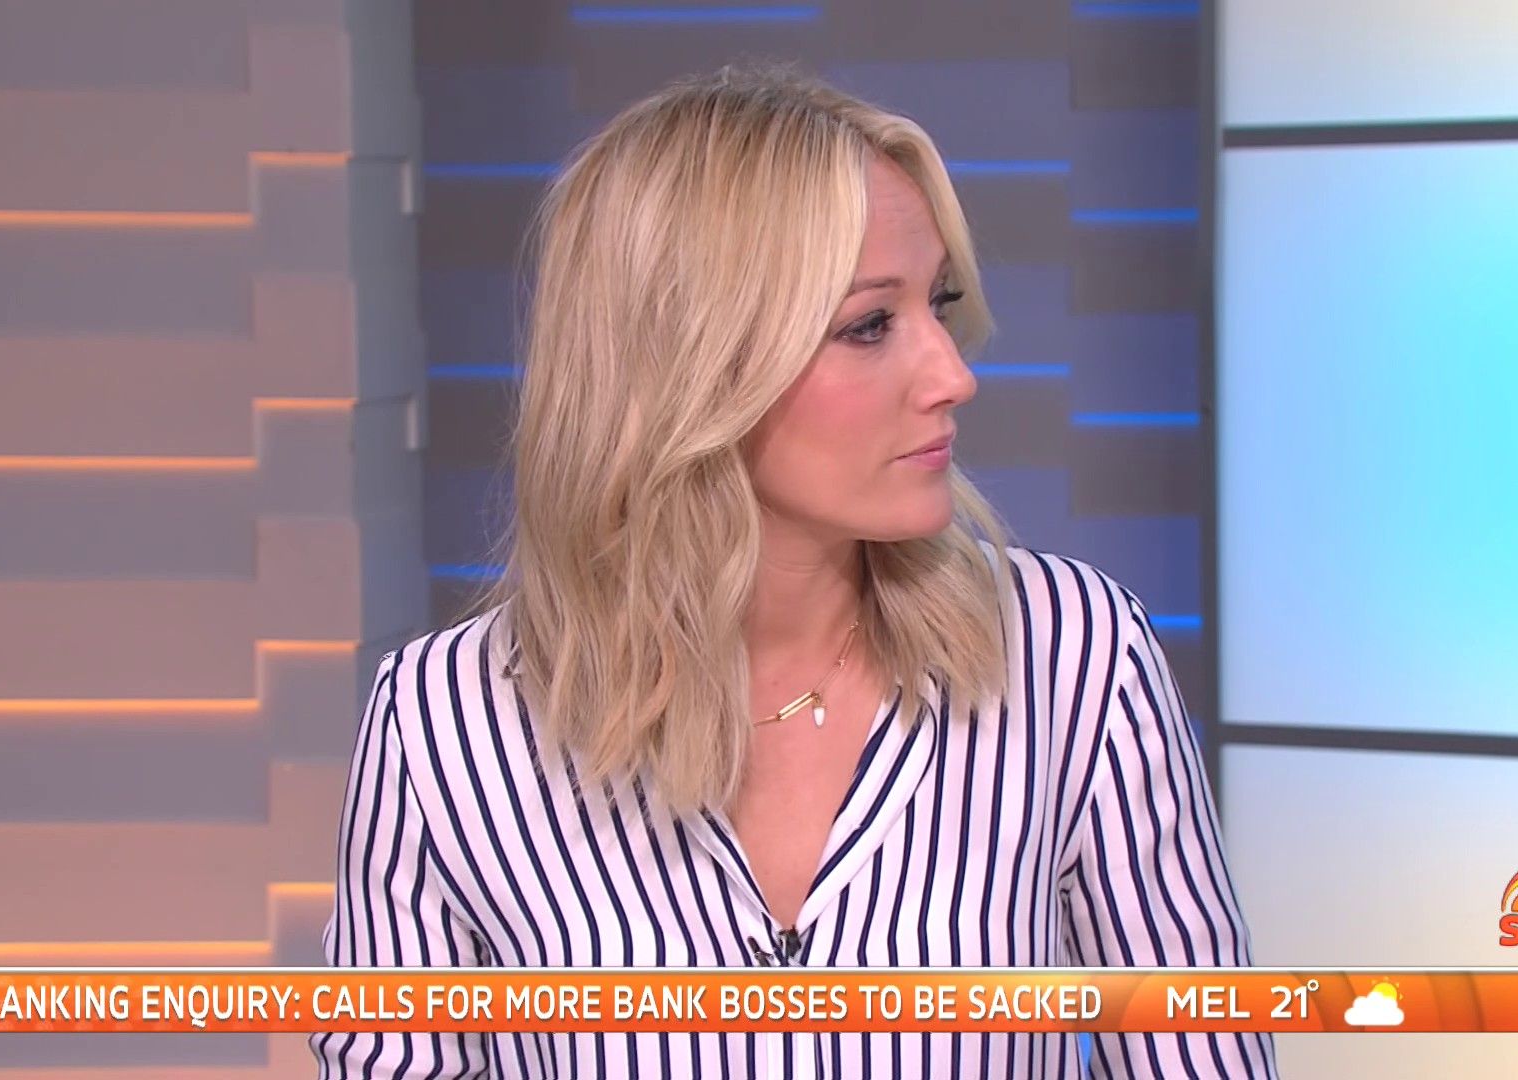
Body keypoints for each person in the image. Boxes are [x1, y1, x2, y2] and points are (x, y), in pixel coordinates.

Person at [311, 62, 1274, 1079]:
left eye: (940, 305)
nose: (954, 374)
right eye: (869, 325)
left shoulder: (1073, 657)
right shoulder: (441, 726)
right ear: (690, 366)